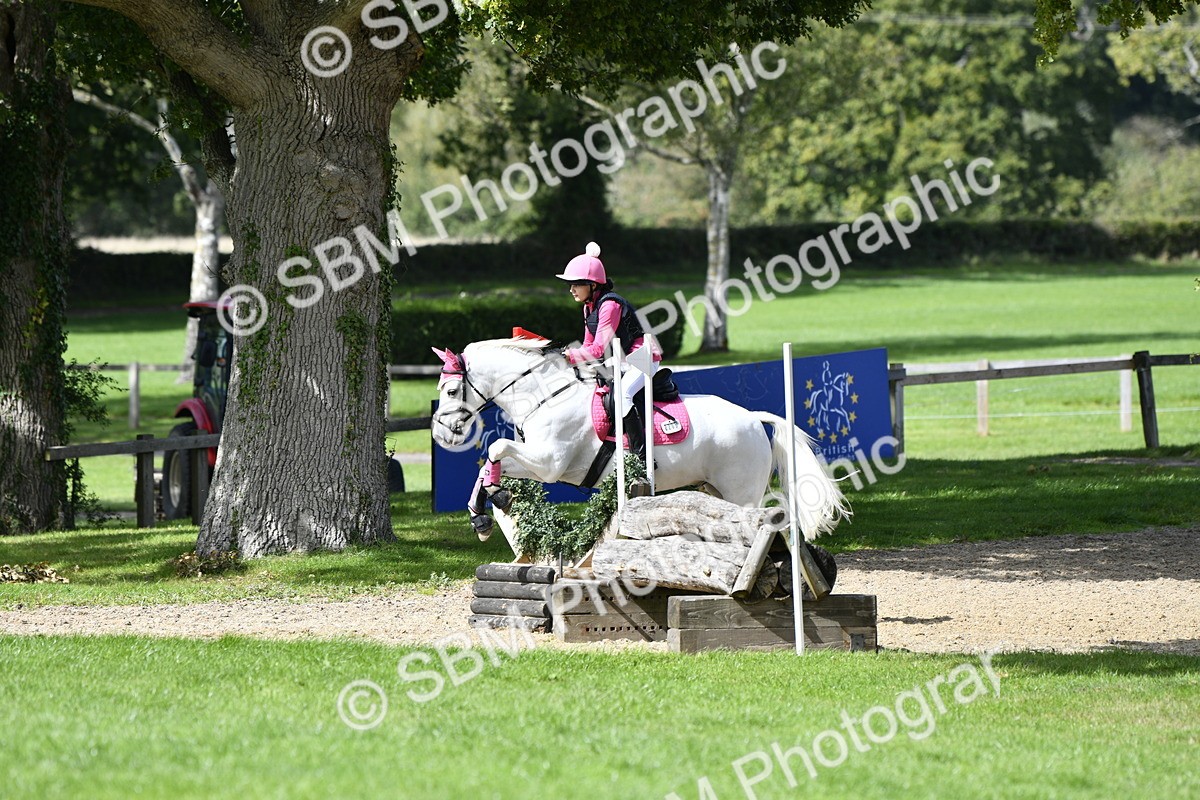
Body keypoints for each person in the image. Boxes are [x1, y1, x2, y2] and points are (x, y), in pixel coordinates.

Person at [556, 242, 662, 483]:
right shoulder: (588, 307)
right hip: (623, 359)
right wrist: (567, 356)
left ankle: (643, 459)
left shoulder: (610, 305)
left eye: (576, 284)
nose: (571, 289)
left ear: (592, 285)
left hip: (643, 357)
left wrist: (569, 356)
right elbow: (586, 347)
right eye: (570, 284)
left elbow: (597, 349)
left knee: (623, 394)